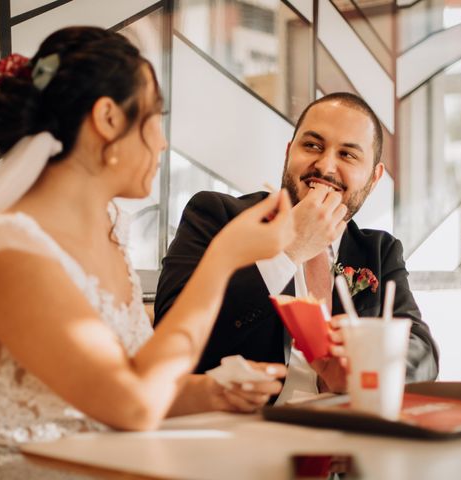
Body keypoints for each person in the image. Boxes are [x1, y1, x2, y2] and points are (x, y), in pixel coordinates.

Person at [0, 27, 295, 478]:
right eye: (155, 117)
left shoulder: (109, 232)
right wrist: (224, 258)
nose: (163, 142)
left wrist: (210, 394)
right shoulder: (7, 248)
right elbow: (133, 404)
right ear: (108, 118)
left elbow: (120, 385)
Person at [154, 92, 439, 403]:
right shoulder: (216, 216)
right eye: (312, 146)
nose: (325, 166)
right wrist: (289, 252)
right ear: (289, 153)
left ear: (373, 178)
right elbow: (172, 333)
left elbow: (423, 353)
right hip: (243, 428)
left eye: (347, 155)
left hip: (348, 433)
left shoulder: (379, 251)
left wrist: (367, 361)